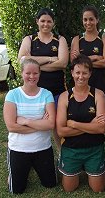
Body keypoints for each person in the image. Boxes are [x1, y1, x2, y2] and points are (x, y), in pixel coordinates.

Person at [18, 7, 69, 149]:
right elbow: (22, 60)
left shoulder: (60, 39)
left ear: (53, 23)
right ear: (37, 22)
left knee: (58, 127)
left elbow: (63, 63)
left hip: (57, 92)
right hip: (34, 93)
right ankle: (32, 153)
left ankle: (61, 155)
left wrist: (34, 65)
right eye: (42, 21)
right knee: (34, 123)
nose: (45, 24)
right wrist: (50, 59)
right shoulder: (29, 39)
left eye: (49, 21)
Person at [3, 58, 56, 194]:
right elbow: (12, 127)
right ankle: (16, 173)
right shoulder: (12, 95)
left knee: (51, 184)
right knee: (16, 190)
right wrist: (40, 124)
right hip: (18, 149)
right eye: (28, 73)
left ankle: (29, 169)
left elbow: (50, 124)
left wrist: (26, 121)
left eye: (35, 73)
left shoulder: (46, 94)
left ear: (39, 74)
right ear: (22, 73)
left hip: (43, 148)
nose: (32, 76)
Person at [56, 54, 105, 192]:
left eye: (85, 72)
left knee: (98, 189)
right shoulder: (64, 97)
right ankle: (68, 162)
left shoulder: (98, 94)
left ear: (90, 73)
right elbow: (61, 131)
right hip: (71, 149)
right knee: (69, 189)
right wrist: (91, 125)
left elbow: (101, 128)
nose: (81, 76)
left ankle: (94, 165)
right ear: (72, 73)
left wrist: (73, 124)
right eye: (77, 72)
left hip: (94, 148)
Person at [70, 5, 105, 100]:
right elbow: (74, 63)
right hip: (79, 91)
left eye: (91, 19)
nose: (88, 23)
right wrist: (95, 57)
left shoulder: (104, 39)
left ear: (97, 20)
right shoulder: (77, 39)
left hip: (100, 89)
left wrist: (82, 58)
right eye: (85, 19)